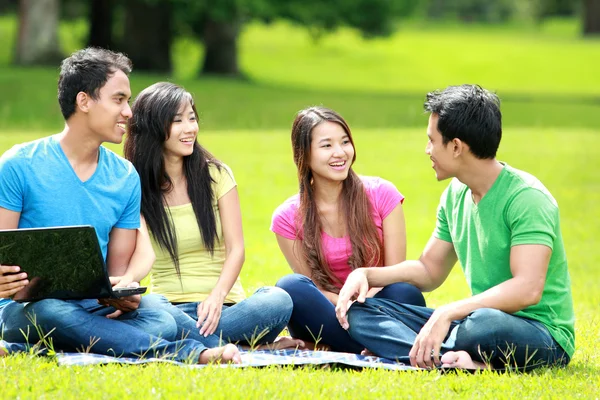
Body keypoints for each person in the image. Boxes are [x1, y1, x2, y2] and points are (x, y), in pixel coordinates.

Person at [0, 48, 239, 364]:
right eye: (119, 100)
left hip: (94, 306)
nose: (129, 112)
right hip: (27, 306)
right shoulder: (19, 164)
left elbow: (117, 274)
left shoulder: (124, 176)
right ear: (84, 101)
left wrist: (123, 293)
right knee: (51, 310)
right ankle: (188, 353)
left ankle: (43, 347)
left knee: (162, 317)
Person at [335, 84, 575, 371]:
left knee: (483, 325)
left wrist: (448, 312)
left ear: (457, 147)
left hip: (540, 334)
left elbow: (527, 289)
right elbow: (429, 270)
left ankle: (433, 351)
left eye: (432, 141)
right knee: (362, 313)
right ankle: (455, 359)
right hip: (472, 320)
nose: (427, 150)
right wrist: (367, 274)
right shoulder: (455, 194)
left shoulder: (527, 199)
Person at [124, 82, 294, 348]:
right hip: (171, 308)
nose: (190, 128)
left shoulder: (216, 176)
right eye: (177, 120)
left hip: (225, 309)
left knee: (278, 299)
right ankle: (239, 347)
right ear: (153, 128)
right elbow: (144, 256)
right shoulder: (137, 188)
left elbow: (236, 249)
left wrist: (216, 297)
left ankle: (198, 343)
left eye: (192, 118)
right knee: (149, 305)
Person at [272, 106, 426, 353]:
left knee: (405, 292)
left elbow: (394, 273)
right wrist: (345, 305)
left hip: (380, 303)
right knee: (290, 287)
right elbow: (312, 287)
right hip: (330, 312)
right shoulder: (287, 217)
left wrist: (363, 305)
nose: (340, 152)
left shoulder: (383, 194)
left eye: (345, 142)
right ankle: (383, 343)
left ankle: (335, 347)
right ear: (304, 154)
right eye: (326, 145)